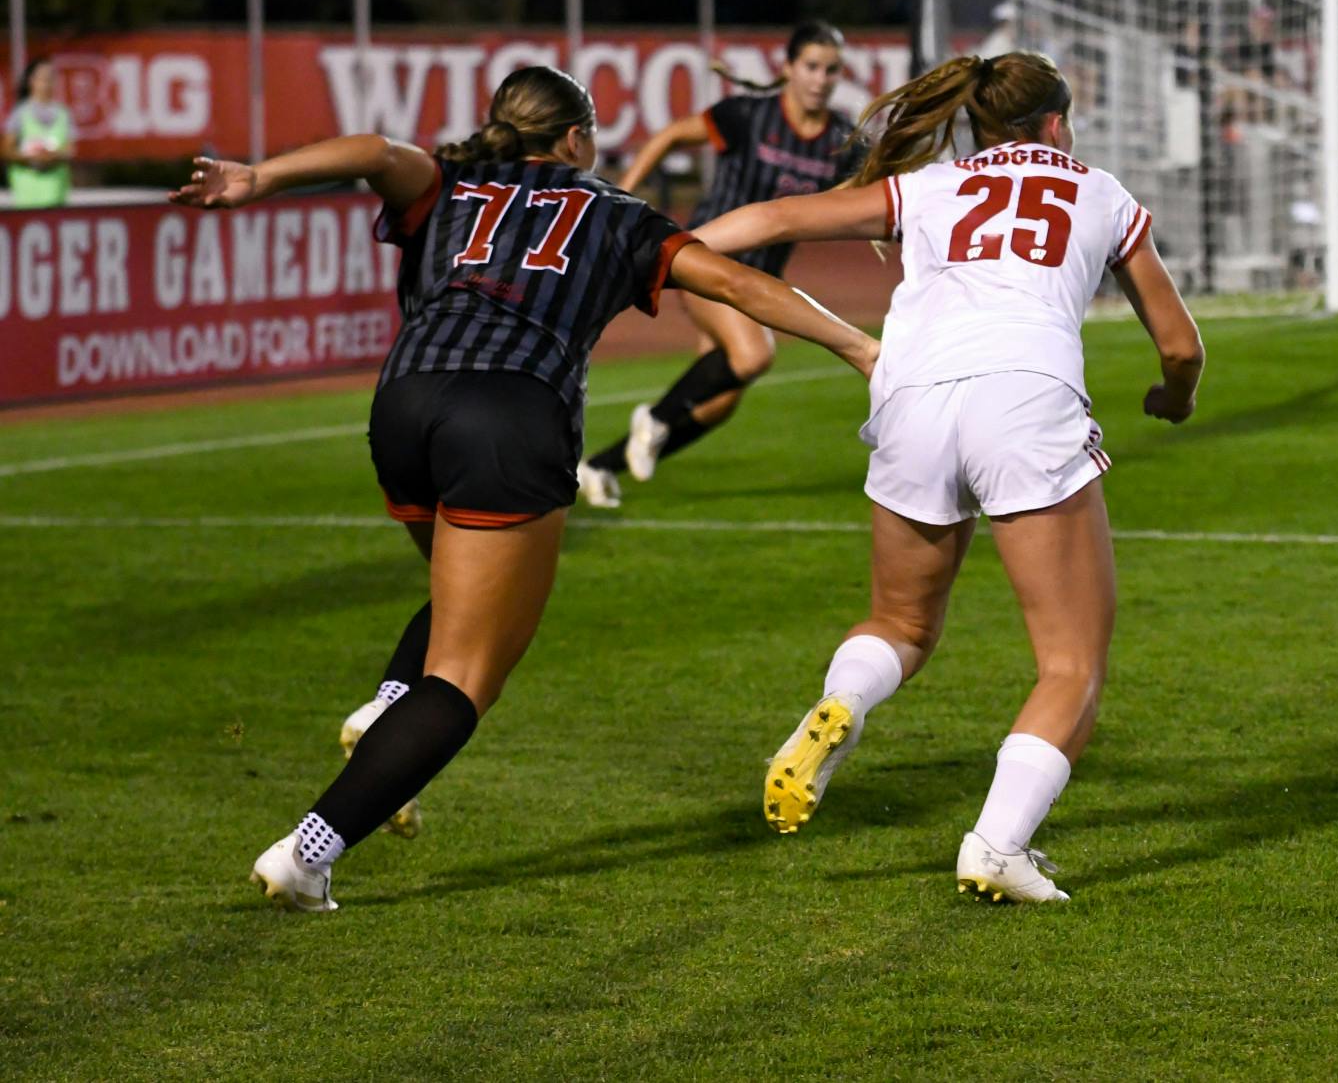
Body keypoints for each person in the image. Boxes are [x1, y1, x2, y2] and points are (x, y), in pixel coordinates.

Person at [171, 65, 878, 911]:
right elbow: (734, 282)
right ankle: (309, 851)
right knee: (468, 673)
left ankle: (388, 702)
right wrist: (859, 347)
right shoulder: (614, 212)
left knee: (459, 592)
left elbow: (373, 151)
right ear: (576, 137)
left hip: (404, 404)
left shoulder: (451, 179)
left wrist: (258, 177)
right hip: (509, 416)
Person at [692, 51, 1204, 903]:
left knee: (900, 620)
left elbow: (777, 216)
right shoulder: (1100, 191)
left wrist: (663, 246)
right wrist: (1174, 399)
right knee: (1070, 663)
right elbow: (1181, 346)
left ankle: (844, 701)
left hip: (911, 398)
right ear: (1055, 123)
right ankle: (998, 845)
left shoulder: (930, 185)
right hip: (1023, 395)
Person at [576, 21, 862, 508]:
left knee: (718, 400)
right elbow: (671, 135)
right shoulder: (747, 115)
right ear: (789, 68)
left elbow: (863, 193)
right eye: (811, 66)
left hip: (762, 279)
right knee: (753, 356)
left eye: (831, 70)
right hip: (707, 260)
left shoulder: (840, 140)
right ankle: (655, 419)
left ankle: (600, 466)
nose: (820, 79)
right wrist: (621, 194)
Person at [5, 58, 76, 208]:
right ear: (31, 81)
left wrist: (53, 156)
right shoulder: (20, 113)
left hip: (57, 194)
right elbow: (6, 149)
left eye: (51, 78)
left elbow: (70, 150)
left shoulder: (63, 113)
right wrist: (31, 158)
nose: (47, 83)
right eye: (43, 78)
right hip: (26, 197)